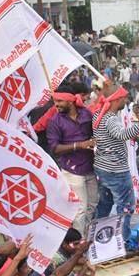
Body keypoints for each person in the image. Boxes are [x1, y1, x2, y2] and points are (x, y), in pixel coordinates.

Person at [93, 86, 139, 234]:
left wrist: (134, 134)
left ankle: (97, 236)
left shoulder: (98, 115)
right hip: (116, 170)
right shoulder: (110, 118)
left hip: (102, 168)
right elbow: (121, 134)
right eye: (124, 98)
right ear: (117, 99)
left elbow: (110, 137)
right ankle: (122, 239)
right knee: (126, 206)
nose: (126, 100)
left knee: (105, 204)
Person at [46, 90, 98, 234]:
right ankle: (78, 244)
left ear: (70, 101)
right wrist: (78, 145)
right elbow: (55, 148)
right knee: (80, 209)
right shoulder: (54, 121)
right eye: (55, 101)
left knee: (92, 205)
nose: (56, 104)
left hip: (90, 166)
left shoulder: (86, 114)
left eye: (60, 101)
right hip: (72, 170)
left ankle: (86, 238)